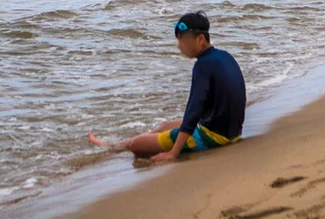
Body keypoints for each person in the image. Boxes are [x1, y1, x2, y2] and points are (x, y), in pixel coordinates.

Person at [88, 12, 245, 161]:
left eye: (182, 41)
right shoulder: (224, 56)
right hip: (232, 132)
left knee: (136, 146)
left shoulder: (202, 66)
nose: (179, 46)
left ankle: (119, 145)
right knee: (166, 126)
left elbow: (194, 109)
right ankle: (119, 144)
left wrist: (173, 152)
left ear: (200, 39)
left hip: (214, 137)